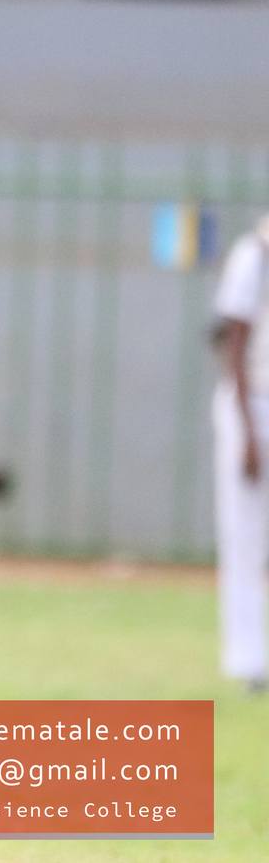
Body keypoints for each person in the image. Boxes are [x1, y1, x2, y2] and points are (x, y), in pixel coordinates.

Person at [212, 215, 269, 693]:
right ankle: (249, 662)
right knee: (247, 538)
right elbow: (234, 342)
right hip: (254, 405)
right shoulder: (254, 257)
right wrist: (248, 432)